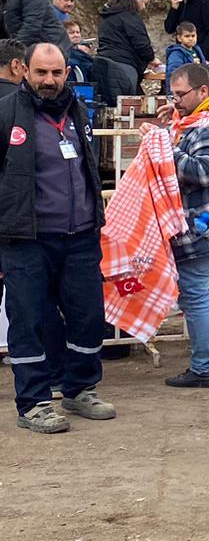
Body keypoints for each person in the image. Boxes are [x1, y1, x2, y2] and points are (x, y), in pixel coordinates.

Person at [0, 43, 113, 433]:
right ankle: (33, 403)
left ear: (67, 73)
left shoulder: (77, 112)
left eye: (57, 73)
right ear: (24, 71)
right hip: (26, 239)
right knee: (28, 320)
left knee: (88, 315)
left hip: (80, 236)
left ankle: (80, 388)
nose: (49, 80)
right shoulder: (5, 114)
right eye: (41, 72)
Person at [156, 64, 209, 390]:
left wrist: (165, 148)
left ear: (203, 92)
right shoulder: (205, 123)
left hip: (201, 231)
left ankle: (204, 366)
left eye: (181, 94)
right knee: (207, 295)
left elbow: (202, 172)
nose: (176, 101)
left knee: (196, 298)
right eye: (173, 94)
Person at [96, 0, 155, 102]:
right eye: (144, 3)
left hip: (101, 63)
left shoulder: (107, 17)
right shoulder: (131, 18)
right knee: (127, 106)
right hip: (124, 66)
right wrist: (151, 58)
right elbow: (141, 44)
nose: (143, 7)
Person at [164, 22, 205, 89]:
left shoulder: (197, 51)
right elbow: (173, 74)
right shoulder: (176, 54)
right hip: (184, 89)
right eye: (187, 36)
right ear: (179, 38)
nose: (191, 39)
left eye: (193, 36)